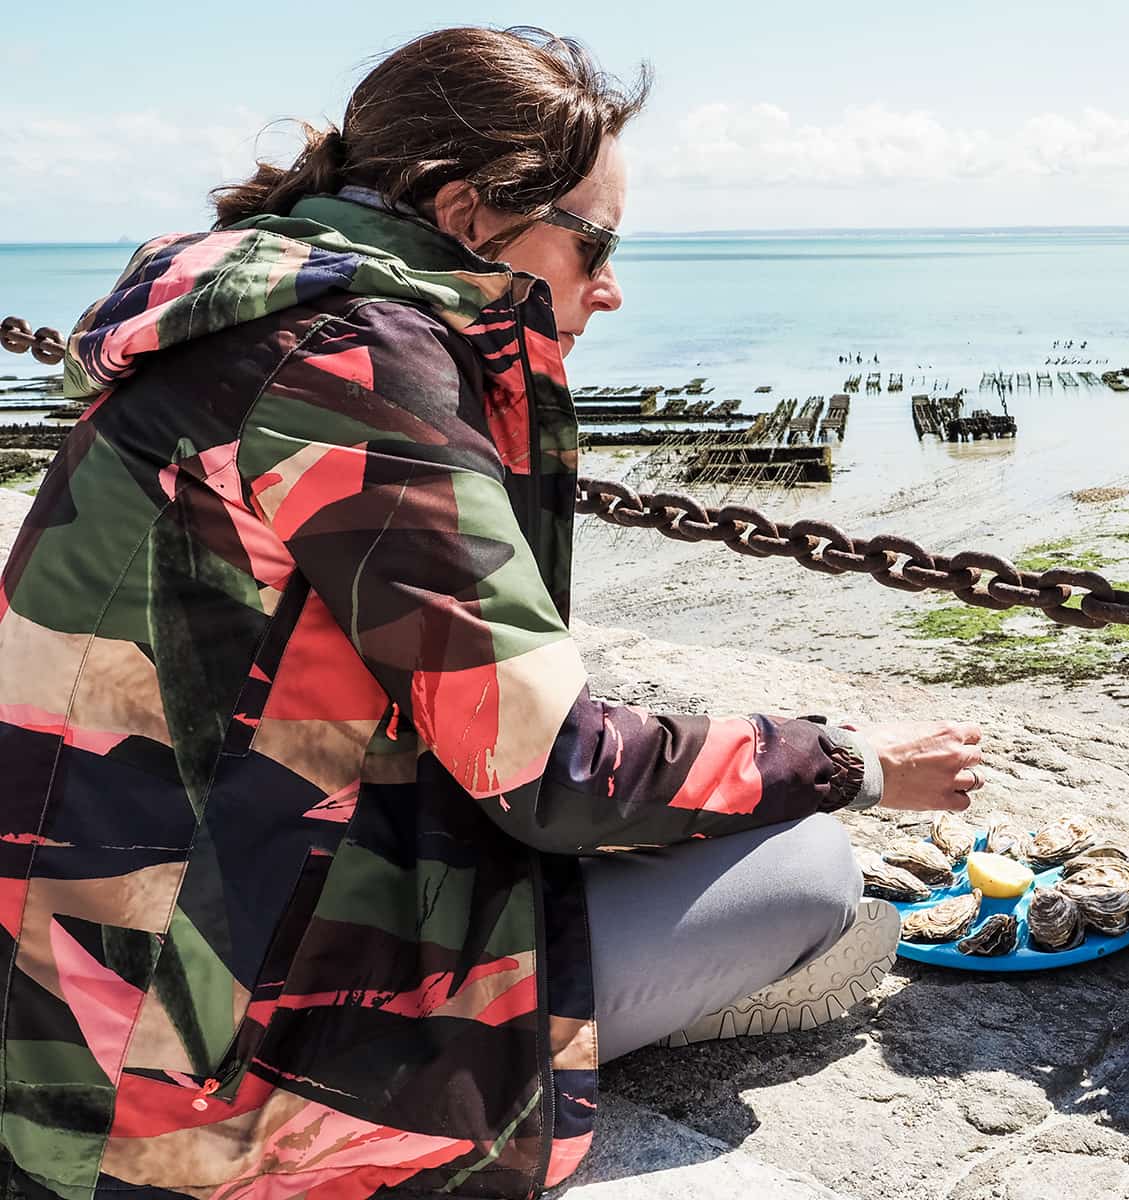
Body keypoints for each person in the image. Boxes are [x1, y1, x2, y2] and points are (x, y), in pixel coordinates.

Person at [0, 26, 982, 1200]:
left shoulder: (234, 322)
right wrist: (852, 761)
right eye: (594, 244)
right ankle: (639, 1022)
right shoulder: (356, 367)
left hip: (63, 991)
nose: (610, 287)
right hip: (181, 1092)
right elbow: (554, 768)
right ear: (469, 217)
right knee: (809, 872)